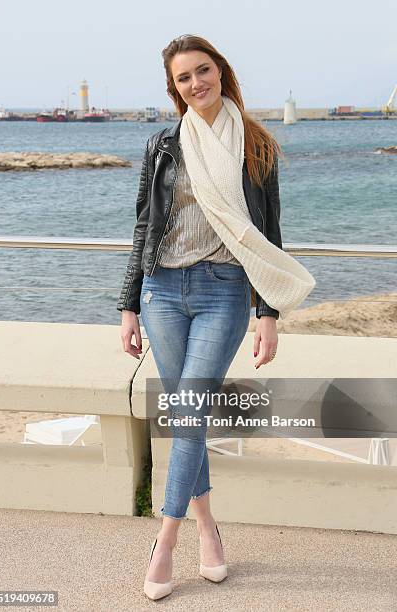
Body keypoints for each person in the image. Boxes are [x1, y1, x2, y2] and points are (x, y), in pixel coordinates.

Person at [117, 34, 285, 601]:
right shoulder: (163, 144)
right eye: (183, 78)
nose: (196, 84)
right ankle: (208, 529)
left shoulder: (255, 145)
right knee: (190, 415)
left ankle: (164, 542)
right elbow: (144, 225)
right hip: (163, 291)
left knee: (188, 410)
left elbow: (267, 235)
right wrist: (128, 303)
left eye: (203, 71)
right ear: (175, 88)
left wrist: (269, 312)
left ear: (221, 71)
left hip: (224, 291)